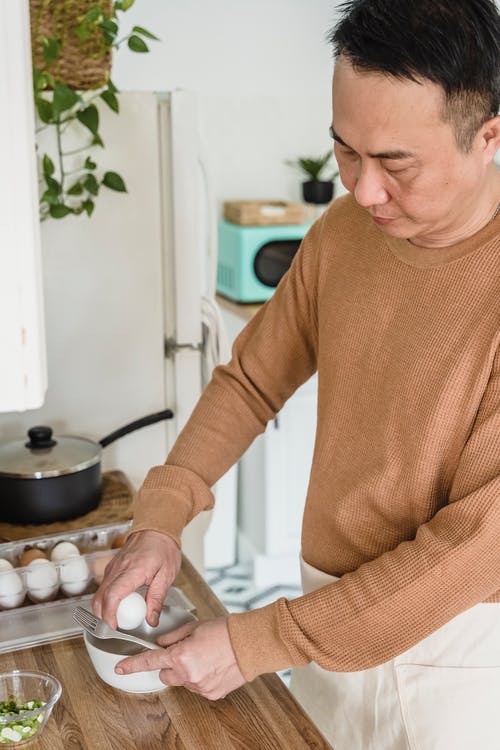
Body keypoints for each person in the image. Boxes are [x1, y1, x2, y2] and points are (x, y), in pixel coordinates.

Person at [94, 0, 500, 747]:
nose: (362, 188)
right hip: (322, 625)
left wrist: (256, 642)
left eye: (395, 163)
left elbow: (468, 551)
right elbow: (251, 382)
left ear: (488, 137)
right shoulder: (344, 232)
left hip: (457, 661)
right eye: (345, 149)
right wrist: (161, 519)